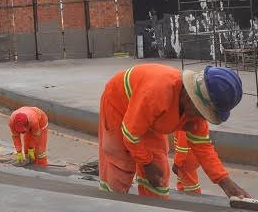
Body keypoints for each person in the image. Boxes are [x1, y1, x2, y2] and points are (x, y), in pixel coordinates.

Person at [98, 63, 249, 199]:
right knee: (121, 164)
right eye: (203, 112)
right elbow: (130, 134)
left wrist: (226, 183)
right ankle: (112, 202)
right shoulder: (158, 92)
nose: (202, 118)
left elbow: (203, 149)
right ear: (191, 99)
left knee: (159, 172)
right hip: (118, 105)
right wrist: (146, 163)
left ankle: (153, 206)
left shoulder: (195, 115)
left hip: (146, 114)